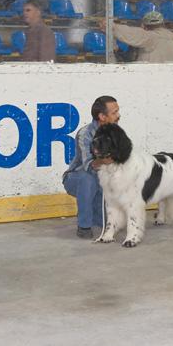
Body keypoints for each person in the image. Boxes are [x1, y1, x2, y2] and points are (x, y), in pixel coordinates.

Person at [63, 96, 120, 239]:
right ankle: (84, 226)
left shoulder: (116, 132)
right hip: (77, 178)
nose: (118, 116)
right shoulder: (85, 134)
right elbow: (89, 165)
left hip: (102, 183)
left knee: (110, 223)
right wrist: (106, 160)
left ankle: (92, 211)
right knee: (87, 179)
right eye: (114, 112)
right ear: (102, 116)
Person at [100, 11, 173, 62]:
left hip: (151, 80)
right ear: (162, 23)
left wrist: (111, 26)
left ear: (145, 26)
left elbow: (131, 33)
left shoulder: (150, 37)